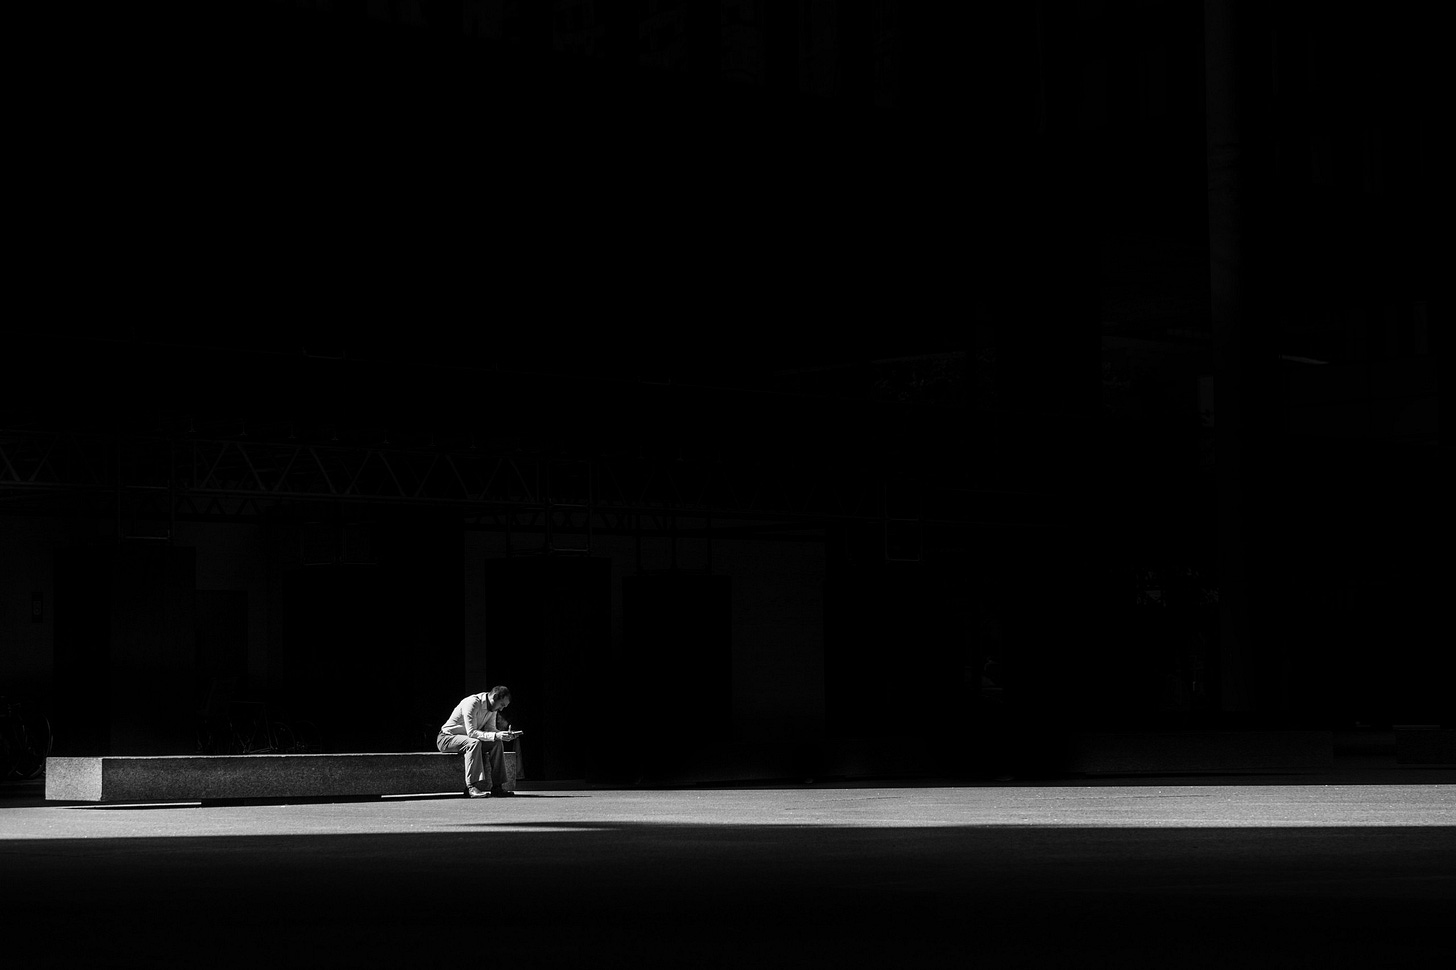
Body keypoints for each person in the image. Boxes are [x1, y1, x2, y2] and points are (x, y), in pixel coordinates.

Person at [437, 686, 521, 798]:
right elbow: (471, 732)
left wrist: (502, 735)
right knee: (474, 742)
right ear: (494, 697)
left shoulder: (492, 708)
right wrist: (495, 735)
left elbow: (490, 729)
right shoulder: (472, 703)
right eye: (501, 705)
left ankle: (497, 787)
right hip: (447, 738)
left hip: (468, 739)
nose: (501, 709)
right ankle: (471, 787)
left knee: (497, 743)